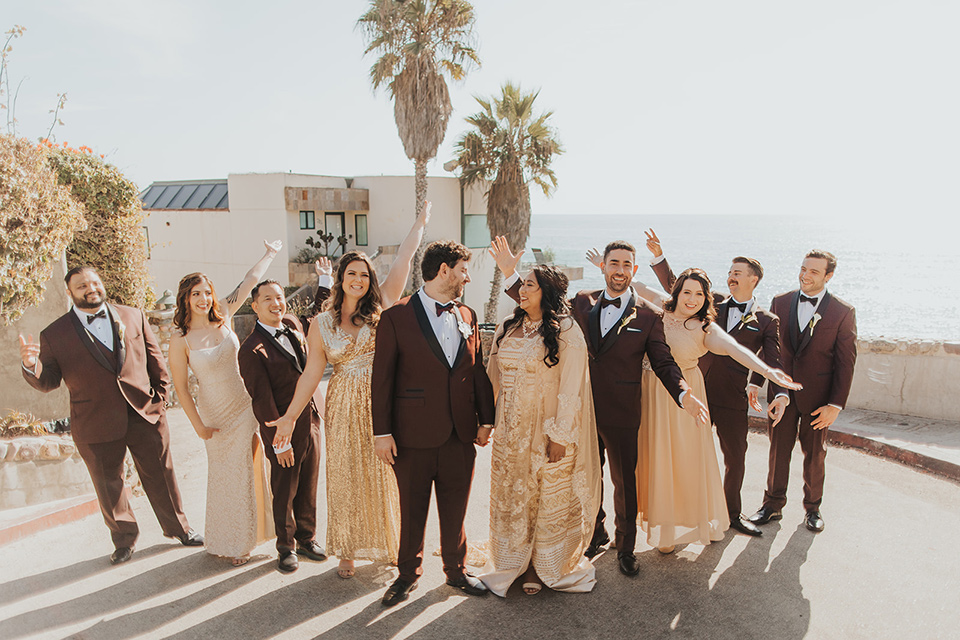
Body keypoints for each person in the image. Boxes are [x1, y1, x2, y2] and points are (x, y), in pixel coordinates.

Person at [493, 237, 709, 578]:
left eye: (626, 264)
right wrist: (510, 275)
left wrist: (683, 394)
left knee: (625, 483)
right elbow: (540, 303)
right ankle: (595, 533)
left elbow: (665, 363)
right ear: (604, 266)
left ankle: (625, 548)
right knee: (583, 478)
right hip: (578, 409)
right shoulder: (581, 302)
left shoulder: (650, 317)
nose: (620, 270)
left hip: (622, 411)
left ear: (634, 270)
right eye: (614, 263)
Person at [269, 203, 430, 579]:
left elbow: (404, 259)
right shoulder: (322, 323)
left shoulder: (383, 306)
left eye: (364, 274)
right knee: (345, 476)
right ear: (340, 277)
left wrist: (419, 223)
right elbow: (310, 374)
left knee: (386, 472)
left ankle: (392, 543)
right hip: (342, 402)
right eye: (351, 273)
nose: (358, 279)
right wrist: (290, 417)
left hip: (383, 402)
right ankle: (348, 548)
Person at [19, 266, 202, 565]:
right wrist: (32, 365)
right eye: (81, 285)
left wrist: (160, 399)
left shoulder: (132, 315)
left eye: (94, 282)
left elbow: (155, 360)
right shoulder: (54, 334)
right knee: (108, 484)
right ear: (70, 292)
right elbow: (48, 381)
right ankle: (124, 540)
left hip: (145, 412)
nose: (90, 288)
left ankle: (180, 529)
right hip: (94, 421)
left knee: (161, 474)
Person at [628, 268, 799, 552]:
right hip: (650, 391)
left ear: (706, 298)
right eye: (686, 292)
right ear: (677, 292)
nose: (692, 299)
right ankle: (657, 520)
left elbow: (736, 349)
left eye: (698, 294)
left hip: (685, 395)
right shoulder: (663, 309)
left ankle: (675, 530)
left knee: (681, 460)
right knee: (653, 457)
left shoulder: (704, 328)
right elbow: (639, 286)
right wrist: (610, 267)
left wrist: (769, 372)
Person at [370, 240, 496, 606]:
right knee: (413, 511)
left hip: (460, 434)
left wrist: (486, 420)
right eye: (463, 270)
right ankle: (407, 574)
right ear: (444, 270)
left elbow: (476, 373)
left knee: (456, 509)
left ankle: (456, 571)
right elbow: (382, 380)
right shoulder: (396, 317)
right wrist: (383, 433)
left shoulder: (468, 315)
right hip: (411, 436)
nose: (467, 277)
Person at [644, 228, 785, 537]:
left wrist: (774, 388)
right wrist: (659, 257)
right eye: (730, 272)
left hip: (733, 397)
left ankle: (731, 515)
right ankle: (680, 513)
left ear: (753, 279)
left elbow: (771, 358)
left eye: (738, 273)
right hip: (694, 390)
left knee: (735, 458)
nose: (731, 277)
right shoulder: (711, 301)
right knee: (685, 455)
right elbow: (678, 292)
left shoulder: (766, 320)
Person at [478, 265, 601, 597]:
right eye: (522, 285)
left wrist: (560, 436)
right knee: (513, 495)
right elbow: (493, 377)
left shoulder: (567, 331)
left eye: (529, 285)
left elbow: (571, 388)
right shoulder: (508, 325)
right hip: (510, 432)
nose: (522, 290)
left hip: (547, 431)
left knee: (543, 499)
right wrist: (486, 422)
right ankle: (510, 560)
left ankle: (538, 565)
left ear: (546, 292)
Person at [167, 241, 281, 566]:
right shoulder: (180, 338)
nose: (203, 299)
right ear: (186, 299)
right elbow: (181, 388)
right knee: (225, 476)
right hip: (214, 413)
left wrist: (270, 254)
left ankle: (248, 538)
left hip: (244, 404)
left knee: (250, 470)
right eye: (196, 294)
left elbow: (248, 281)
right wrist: (198, 426)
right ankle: (227, 538)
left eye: (206, 292)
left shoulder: (225, 315)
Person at [748, 250, 857, 533]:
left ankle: (812, 508)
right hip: (782, 393)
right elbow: (768, 346)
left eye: (814, 272)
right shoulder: (780, 302)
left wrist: (836, 404)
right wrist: (756, 382)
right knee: (777, 451)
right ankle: (771, 505)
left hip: (819, 397)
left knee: (815, 454)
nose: (805, 276)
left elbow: (846, 362)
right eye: (803, 269)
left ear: (828, 276)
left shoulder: (843, 312)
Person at [237, 280, 325, 573]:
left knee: (309, 482)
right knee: (285, 487)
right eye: (268, 299)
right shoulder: (251, 349)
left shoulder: (291, 324)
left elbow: (315, 319)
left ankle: (306, 538)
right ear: (255, 306)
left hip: (310, 419)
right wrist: (280, 440)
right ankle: (285, 546)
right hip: (282, 428)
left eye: (279, 297)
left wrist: (323, 282)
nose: (276, 303)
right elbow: (261, 400)